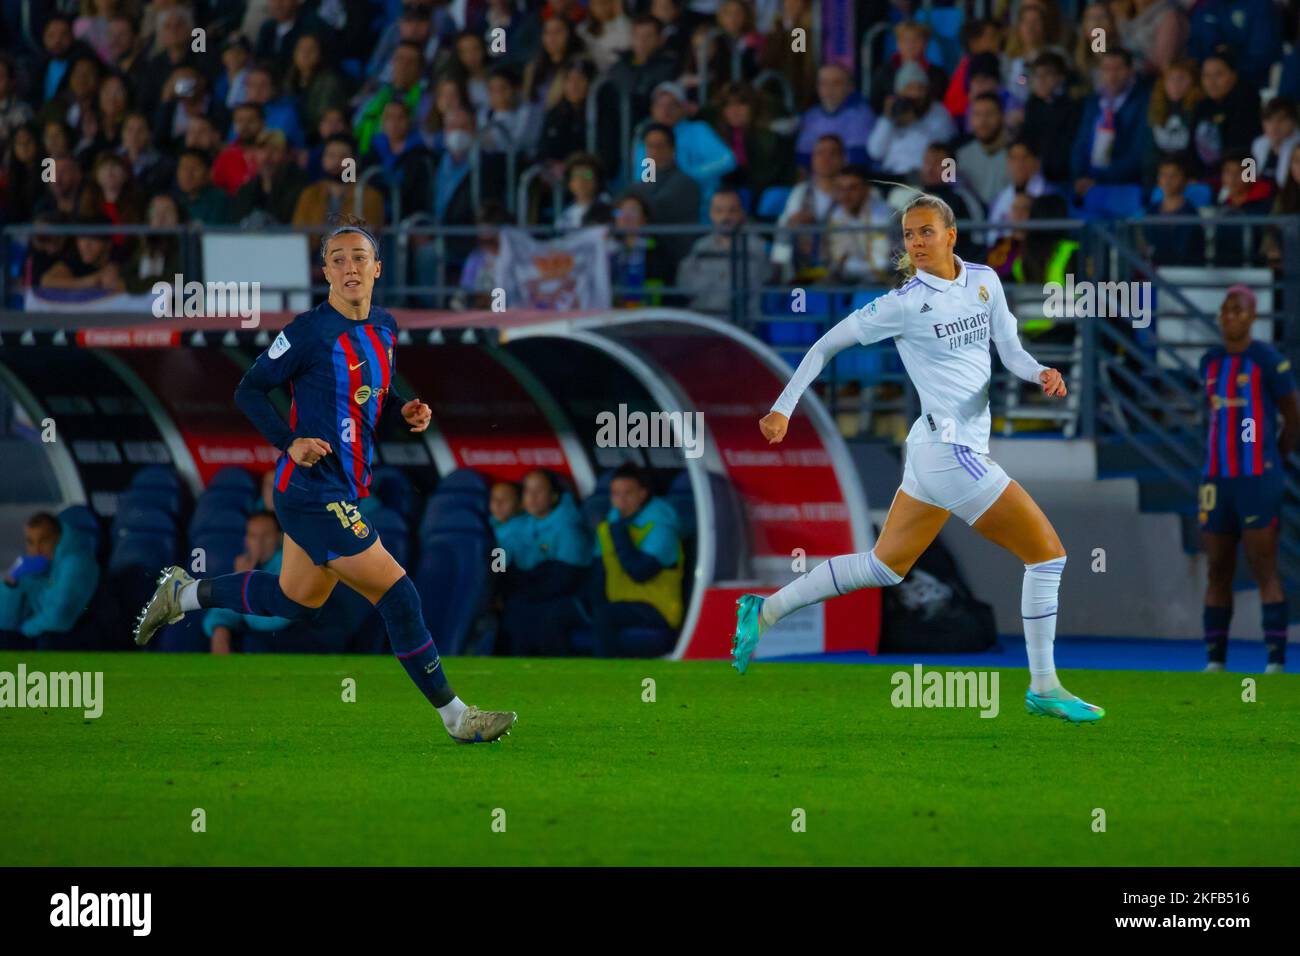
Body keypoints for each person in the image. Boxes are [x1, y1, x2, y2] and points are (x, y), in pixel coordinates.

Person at [132, 217, 517, 745]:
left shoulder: (383, 326)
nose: (349, 267)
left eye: (359, 256)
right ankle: (457, 717)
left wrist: (405, 408)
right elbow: (249, 390)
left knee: (296, 600)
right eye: (337, 259)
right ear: (325, 272)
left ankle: (184, 593)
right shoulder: (307, 332)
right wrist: (288, 441)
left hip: (340, 488)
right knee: (399, 595)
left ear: (377, 268)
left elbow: (370, 390)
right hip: (312, 490)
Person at [733, 192, 1105, 724]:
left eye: (925, 231)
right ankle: (1044, 686)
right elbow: (824, 345)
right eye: (909, 234)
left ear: (951, 235)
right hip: (948, 452)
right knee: (1048, 556)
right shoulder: (903, 303)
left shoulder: (984, 281)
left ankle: (763, 610)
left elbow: (1011, 350)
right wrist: (782, 408)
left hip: (936, 451)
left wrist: (1039, 372)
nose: (916, 242)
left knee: (884, 567)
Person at [1198, 286, 1299, 674]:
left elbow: (1293, 418)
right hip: (1215, 480)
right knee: (1217, 567)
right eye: (1225, 309)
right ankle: (1215, 662)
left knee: (1263, 566)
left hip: (1257, 478)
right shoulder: (1209, 361)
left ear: (1253, 315)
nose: (1229, 315)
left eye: (1238, 309)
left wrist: (1274, 460)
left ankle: (1274, 661)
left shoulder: (1267, 360)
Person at [586, 464, 683, 657]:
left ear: (642, 494)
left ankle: (606, 680)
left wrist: (619, 530)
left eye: (628, 493)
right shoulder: (609, 527)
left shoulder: (661, 527)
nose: (621, 501)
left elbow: (639, 572)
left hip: (658, 608)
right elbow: (598, 574)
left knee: (605, 617)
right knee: (557, 614)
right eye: (615, 494)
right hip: (620, 603)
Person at [500, 470, 591, 655]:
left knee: (541, 614)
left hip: (570, 596)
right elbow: (499, 564)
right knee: (513, 609)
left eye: (539, 491)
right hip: (534, 593)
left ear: (554, 495)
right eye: (527, 491)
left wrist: (524, 591)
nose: (532, 497)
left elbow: (566, 579)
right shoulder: (517, 525)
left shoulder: (568, 526)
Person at [0, 512, 99, 650]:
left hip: (75, 638)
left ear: (58, 538)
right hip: (46, 636)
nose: (36, 550)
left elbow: (59, 618)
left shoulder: (77, 563)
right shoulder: (41, 567)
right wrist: (12, 583)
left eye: (44, 540)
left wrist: (23, 630)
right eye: (30, 542)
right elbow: (5, 621)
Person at [203, 512, 294, 654]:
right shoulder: (248, 563)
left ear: (279, 538)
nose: (259, 543)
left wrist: (244, 580)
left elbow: (272, 622)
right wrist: (219, 628)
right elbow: (225, 604)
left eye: (266, 536)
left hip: (291, 640)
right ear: (246, 541)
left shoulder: (288, 564)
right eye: (253, 536)